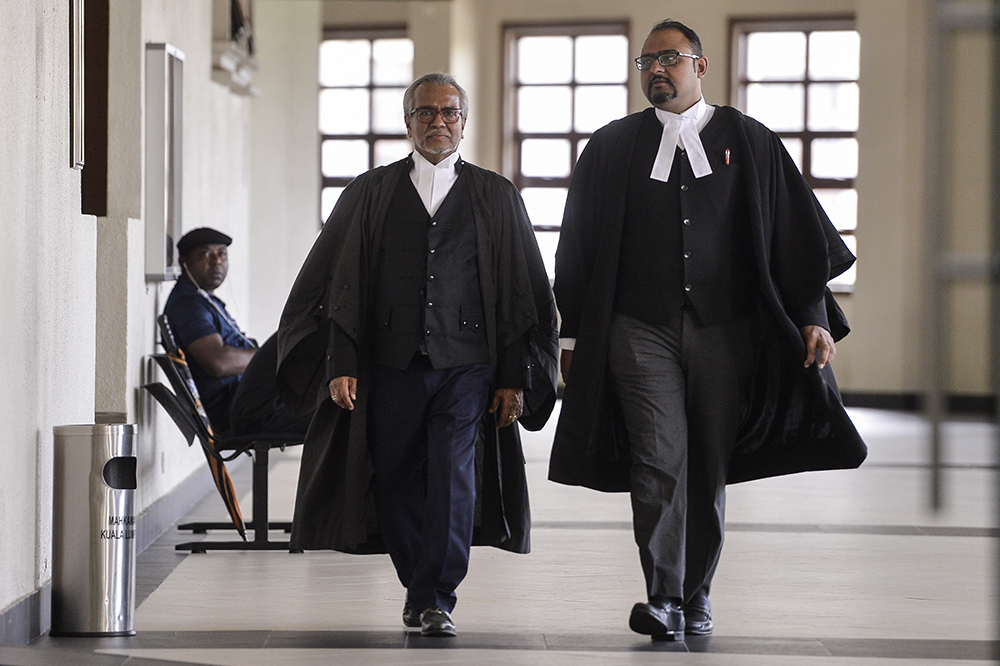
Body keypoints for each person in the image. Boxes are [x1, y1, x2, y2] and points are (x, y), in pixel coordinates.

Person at [549, 19, 867, 642]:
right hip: (638, 330)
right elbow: (578, 247)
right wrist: (572, 338)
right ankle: (665, 595)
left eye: (669, 58)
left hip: (728, 331)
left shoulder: (749, 142)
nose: (657, 71)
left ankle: (697, 595)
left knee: (708, 464)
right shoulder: (612, 147)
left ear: (700, 65)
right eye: (647, 63)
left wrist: (811, 316)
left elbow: (793, 240)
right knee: (658, 458)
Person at [275, 73, 559, 638]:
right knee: (397, 476)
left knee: (455, 476)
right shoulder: (369, 193)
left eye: (450, 113)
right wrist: (342, 361)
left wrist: (512, 375)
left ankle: (437, 596)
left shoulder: (496, 195)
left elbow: (520, 293)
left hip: (468, 366)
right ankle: (419, 585)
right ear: (408, 123)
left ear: (464, 122)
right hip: (389, 365)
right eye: (426, 113)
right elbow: (341, 285)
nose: (438, 122)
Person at [164, 227, 311, 437]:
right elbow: (218, 363)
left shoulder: (204, 300)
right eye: (205, 254)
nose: (216, 261)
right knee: (292, 337)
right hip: (240, 412)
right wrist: (268, 359)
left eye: (222, 253)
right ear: (184, 261)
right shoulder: (188, 305)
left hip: (251, 402)